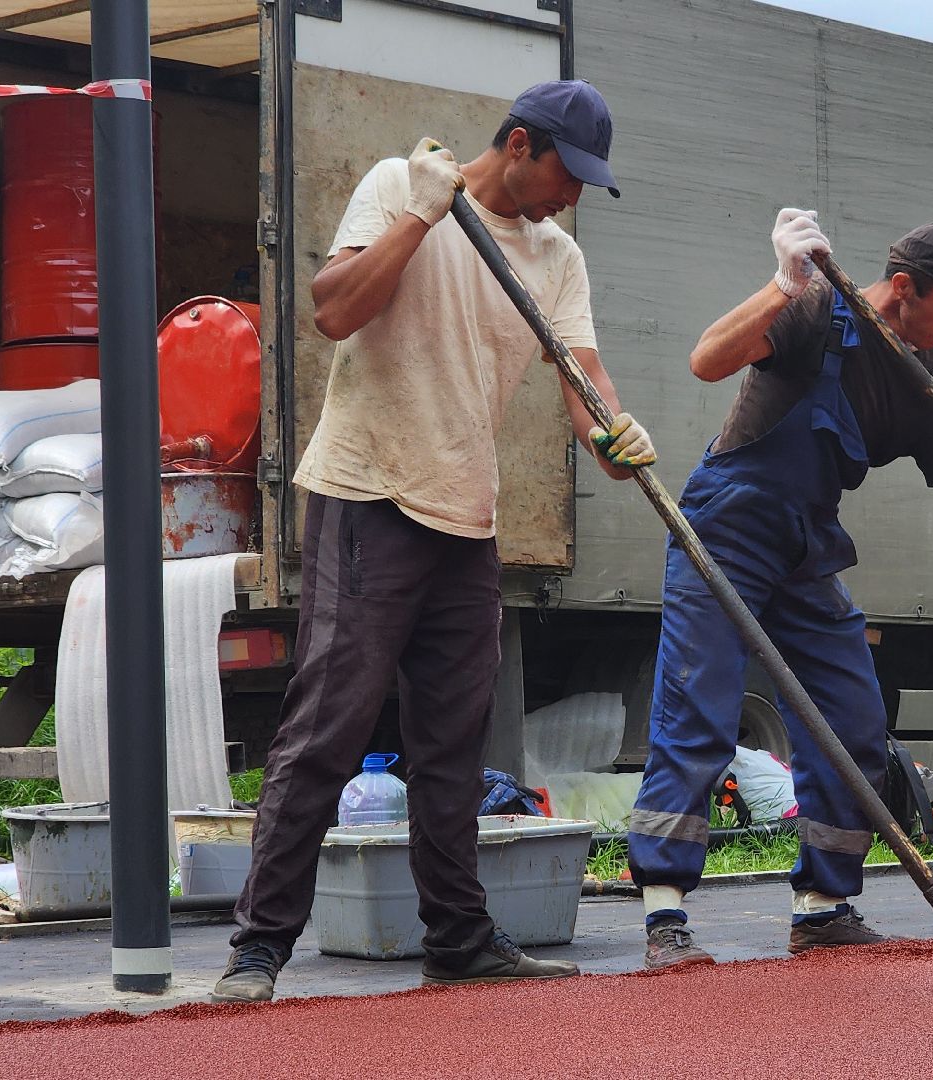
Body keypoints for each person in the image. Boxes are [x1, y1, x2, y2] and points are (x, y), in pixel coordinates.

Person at [213, 80, 655, 1002]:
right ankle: (258, 948)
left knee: (454, 743)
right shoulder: (397, 186)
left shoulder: (557, 256)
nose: (571, 195)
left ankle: (457, 937)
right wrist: (420, 216)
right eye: (566, 174)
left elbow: (584, 384)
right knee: (329, 727)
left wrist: (620, 439)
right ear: (521, 144)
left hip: (466, 517)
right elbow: (334, 311)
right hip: (370, 492)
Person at [628, 211, 933, 969]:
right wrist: (778, 284)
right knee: (700, 707)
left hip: (805, 548)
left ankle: (822, 910)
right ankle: (664, 915)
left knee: (854, 719)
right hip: (724, 531)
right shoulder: (813, 315)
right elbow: (706, 359)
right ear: (904, 288)